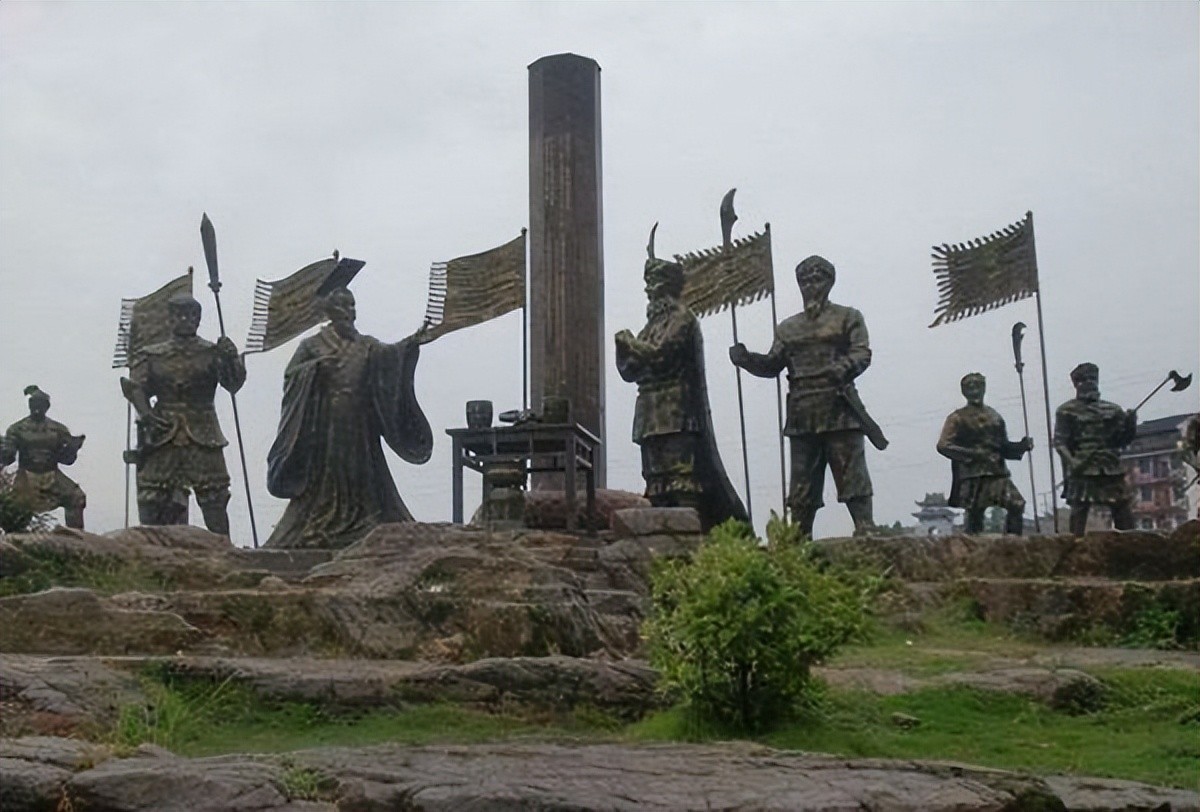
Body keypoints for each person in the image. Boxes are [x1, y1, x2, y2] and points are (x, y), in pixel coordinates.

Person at [265, 286, 432, 548]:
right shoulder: (312, 345)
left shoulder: (366, 345)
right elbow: (291, 376)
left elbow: (391, 356)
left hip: (360, 423)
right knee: (328, 475)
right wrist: (316, 368)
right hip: (326, 424)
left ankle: (365, 519)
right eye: (343, 306)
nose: (349, 311)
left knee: (362, 472)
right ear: (330, 311)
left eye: (352, 305)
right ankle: (323, 521)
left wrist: (412, 342)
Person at [730, 255, 882, 537]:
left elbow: (862, 352)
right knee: (802, 478)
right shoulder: (788, 328)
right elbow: (772, 365)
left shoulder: (848, 317)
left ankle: (864, 524)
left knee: (850, 468)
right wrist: (747, 359)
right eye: (805, 281)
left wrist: (843, 367)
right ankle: (799, 533)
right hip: (802, 409)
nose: (811, 286)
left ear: (830, 282)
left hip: (840, 405)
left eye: (817, 280)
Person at [615, 256, 747, 531]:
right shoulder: (650, 327)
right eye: (647, 283)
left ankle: (689, 530)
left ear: (668, 285)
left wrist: (630, 342)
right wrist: (622, 348)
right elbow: (630, 371)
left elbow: (660, 355)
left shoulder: (682, 319)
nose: (648, 289)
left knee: (681, 477)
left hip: (676, 409)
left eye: (654, 283)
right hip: (650, 411)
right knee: (655, 477)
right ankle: (661, 530)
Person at [121, 294, 245, 535]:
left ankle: (224, 549)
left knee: (214, 496)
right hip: (163, 430)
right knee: (152, 496)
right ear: (170, 319)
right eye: (179, 315)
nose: (185, 320)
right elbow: (136, 387)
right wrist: (146, 415)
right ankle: (150, 549)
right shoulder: (152, 354)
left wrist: (230, 359)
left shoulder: (212, 352)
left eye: (190, 315)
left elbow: (232, 384)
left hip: (204, 430)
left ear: (198, 319)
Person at [936, 373, 1033, 534]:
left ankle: (1013, 543)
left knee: (1016, 504)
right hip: (972, 474)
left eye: (978, 387)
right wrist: (973, 455)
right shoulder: (957, 418)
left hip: (996, 472)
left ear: (984, 389)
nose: (974, 391)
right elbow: (944, 445)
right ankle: (971, 546)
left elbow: (1002, 447)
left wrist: (1020, 447)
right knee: (975, 515)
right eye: (970, 388)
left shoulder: (994, 416)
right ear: (964, 392)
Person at [1053, 362, 1137, 535]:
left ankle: (1131, 544)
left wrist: (1131, 424)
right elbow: (1060, 442)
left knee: (1122, 509)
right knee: (1079, 510)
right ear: (1076, 384)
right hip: (1083, 465)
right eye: (1084, 380)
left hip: (1109, 466)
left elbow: (1122, 440)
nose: (1089, 383)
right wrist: (1072, 462)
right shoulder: (1066, 411)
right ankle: (1074, 545)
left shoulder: (1113, 409)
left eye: (1092, 379)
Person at [1, 386, 86, 529]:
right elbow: (8, 457)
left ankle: (75, 536)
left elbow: (67, 460)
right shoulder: (17, 429)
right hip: (26, 476)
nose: (37, 408)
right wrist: (4, 450)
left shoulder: (58, 429)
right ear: (29, 405)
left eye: (41, 404)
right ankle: (15, 536)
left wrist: (72, 448)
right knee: (14, 507)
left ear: (47, 407)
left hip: (52, 475)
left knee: (76, 497)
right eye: (34, 404)